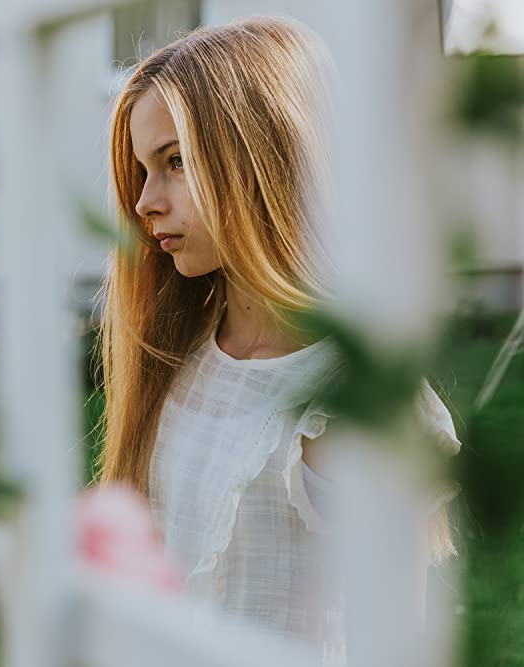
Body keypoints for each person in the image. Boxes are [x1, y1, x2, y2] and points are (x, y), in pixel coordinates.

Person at [92, 15, 461, 664]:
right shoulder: (178, 365)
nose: (145, 200)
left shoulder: (353, 395)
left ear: (264, 155)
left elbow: (401, 637)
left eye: (174, 161)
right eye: (143, 170)